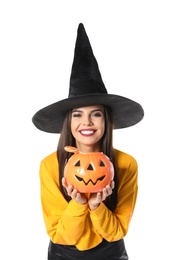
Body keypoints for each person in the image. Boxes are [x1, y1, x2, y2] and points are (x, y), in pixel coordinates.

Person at [32, 23, 144, 260]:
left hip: (111, 253)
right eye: (77, 114)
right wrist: (79, 203)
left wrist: (96, 206)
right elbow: (61, 235)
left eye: (96, 114)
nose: (87, 122)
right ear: (68, 122)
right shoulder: (50, 166)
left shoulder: (126, 164)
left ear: (107, 121)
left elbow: (116, 232)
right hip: (64, 254)